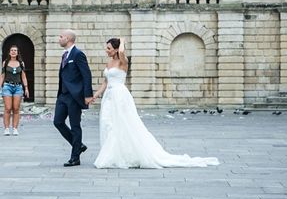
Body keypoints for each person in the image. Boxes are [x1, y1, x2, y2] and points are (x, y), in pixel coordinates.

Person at [91, 38, 219, 169]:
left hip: (120, 96)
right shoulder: (109, 62)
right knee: (109, 123)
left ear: (116, 49)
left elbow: (122, 52)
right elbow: (105, 82)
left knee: (123, 123)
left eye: (109, 48)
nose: (106, 50)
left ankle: (121, 154)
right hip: (109, 97)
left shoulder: (123, 61)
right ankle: (114, 154)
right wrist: (95, 96)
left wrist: (122, 41)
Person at [53, 29, 93, 167]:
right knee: (58, 122)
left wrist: (88, 95)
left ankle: (75, 157)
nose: (59, 38)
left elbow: (86, 75)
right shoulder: (65, 55)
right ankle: (79, 145)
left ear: (68, 39)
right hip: (63, 95)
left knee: (75, 125)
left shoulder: (78, 54)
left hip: (74, 96)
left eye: (61, 36)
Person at [0, 44, 30, 136]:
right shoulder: (5, 62)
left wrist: (26, 88)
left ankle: (15, 128)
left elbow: (23, 76)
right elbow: (2, 76)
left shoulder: (21, 63)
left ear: (17, 52)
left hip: (18, 87)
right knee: (8, 108)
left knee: (16, 108)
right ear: (9, 52)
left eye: (15, 50)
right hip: (7, 86)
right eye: (12, 50)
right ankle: (6, 129)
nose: (13, 52)